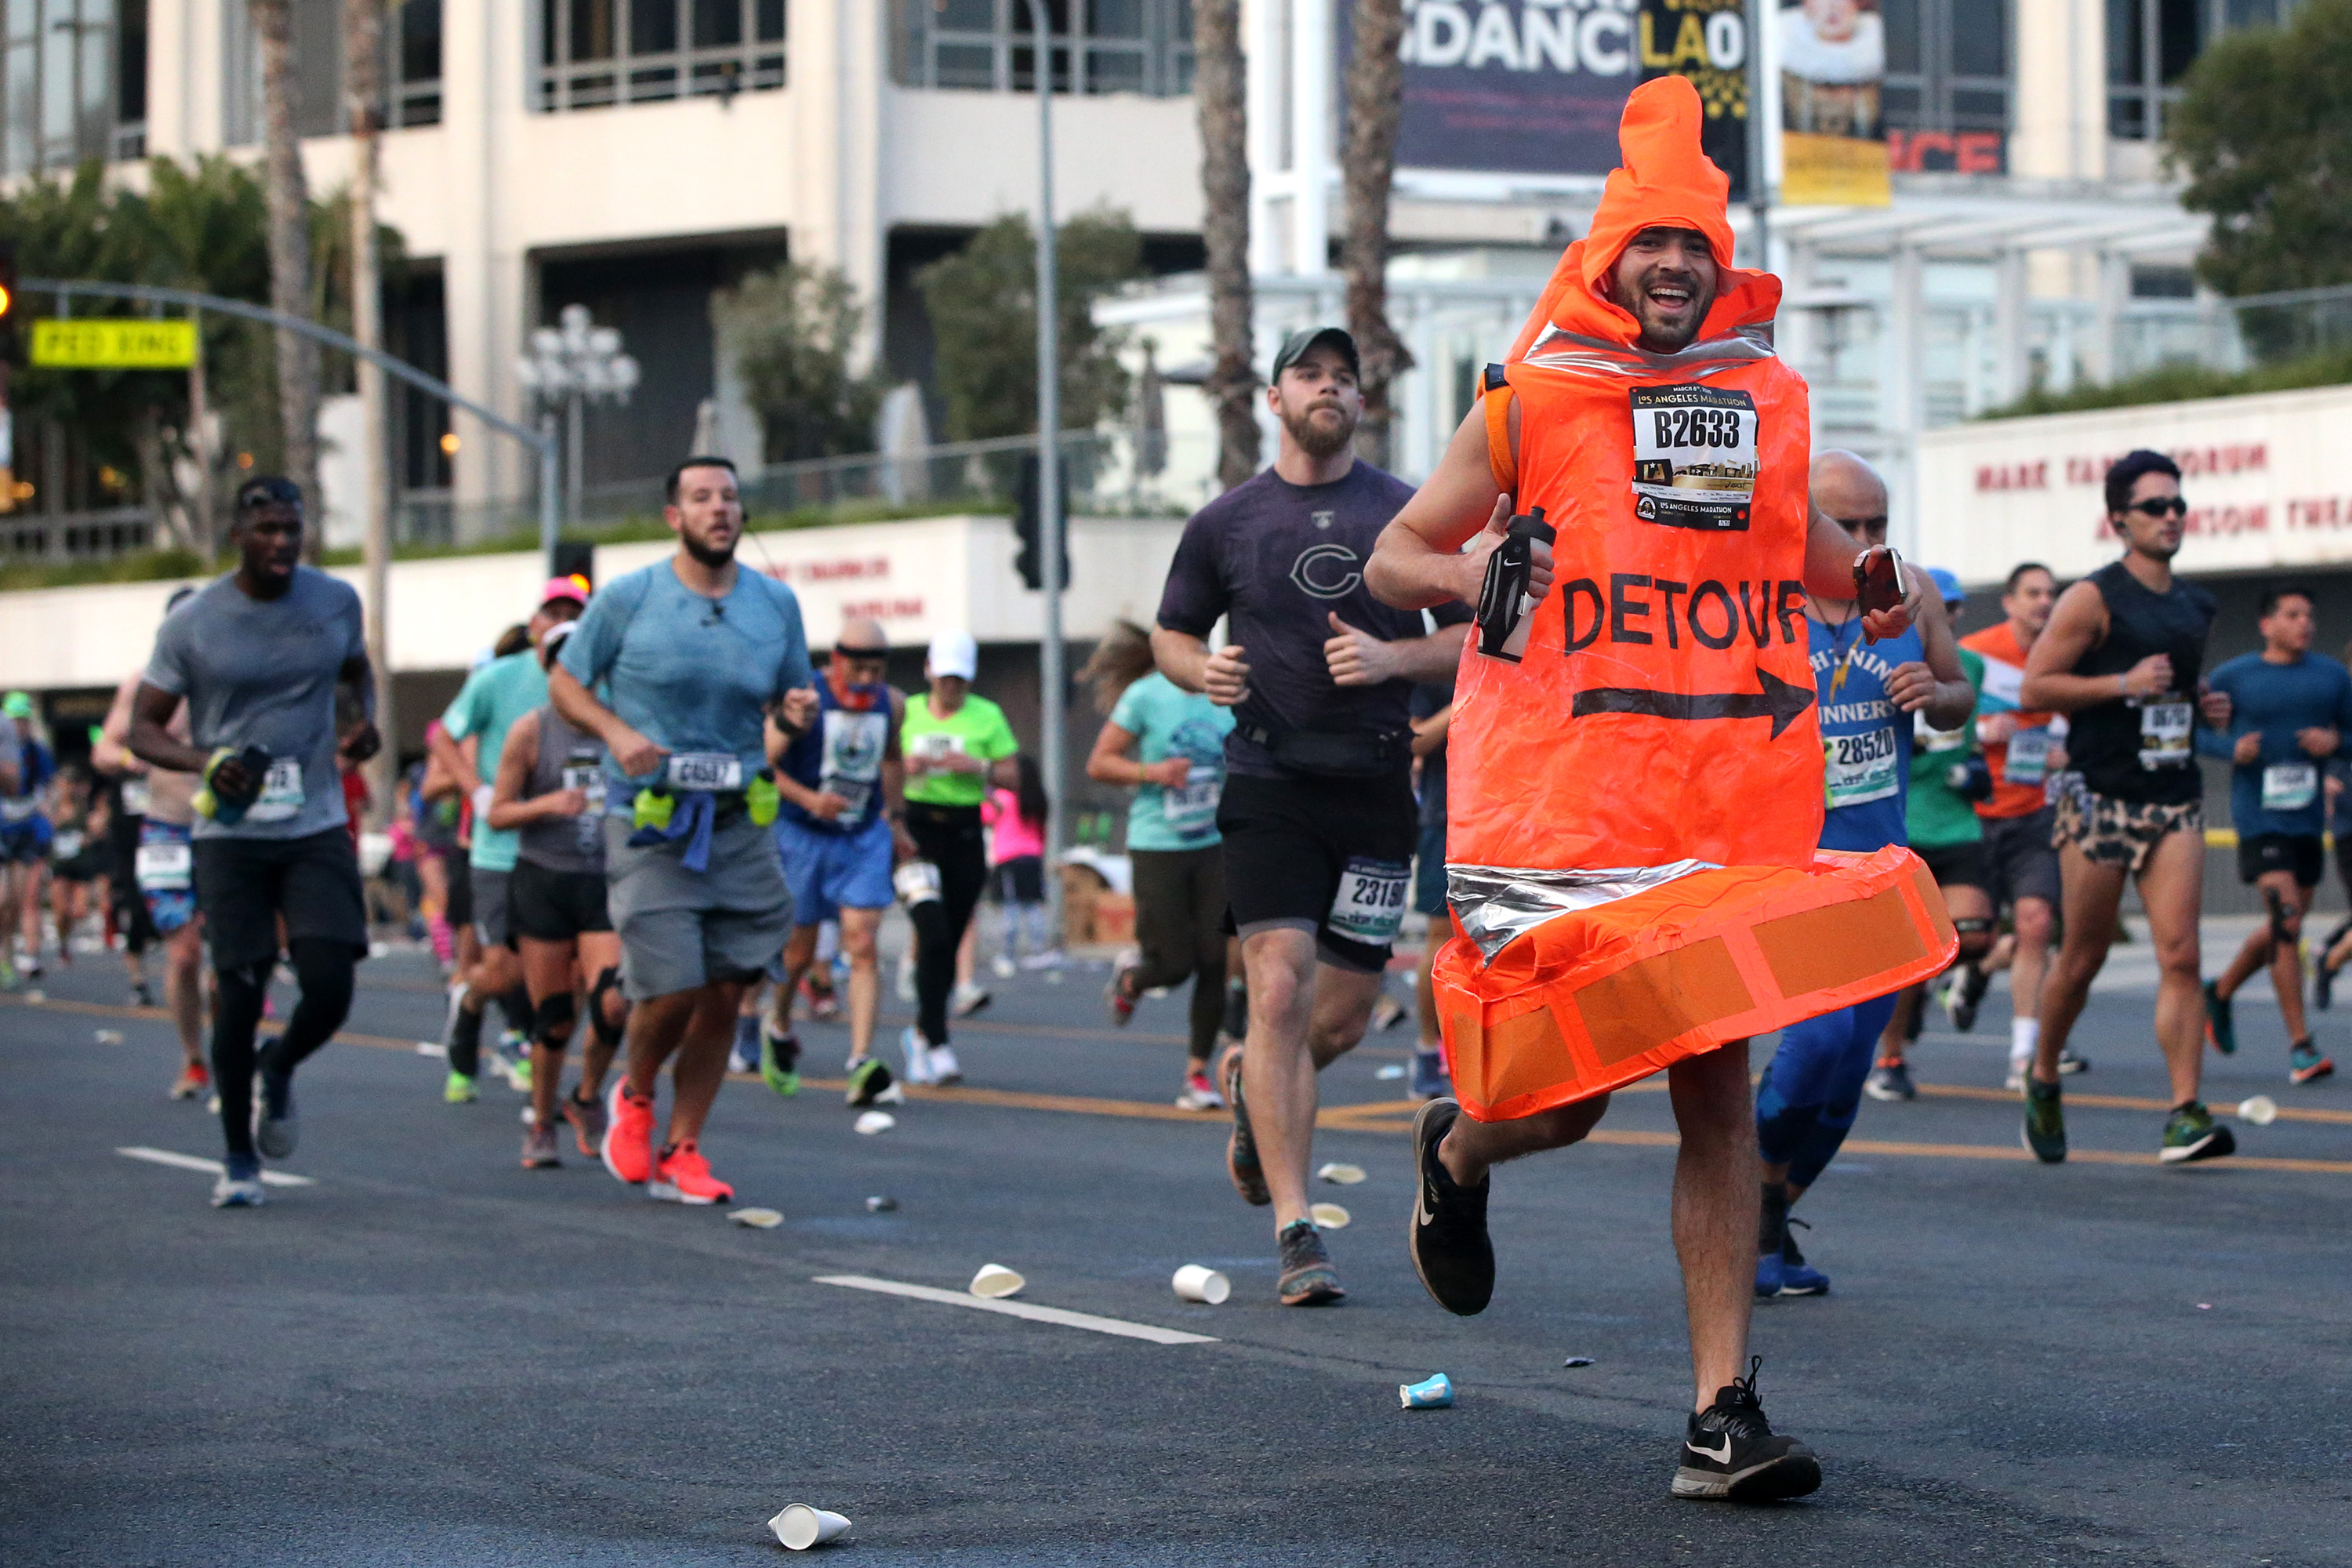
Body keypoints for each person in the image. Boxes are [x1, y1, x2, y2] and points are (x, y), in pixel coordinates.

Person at [1365, 78, 1951, 1501]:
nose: (1675, 265)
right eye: (1651, 245)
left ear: (1719, 260)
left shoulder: (1749, 409)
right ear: (1606, 261)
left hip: (1718, 810)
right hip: (1563, 812)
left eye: (1696, 242)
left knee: (1718, 1099)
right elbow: (1393, 558)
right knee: (1564, 1100)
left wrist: (1878, 582)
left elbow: (1810, 557)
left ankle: (1721, 1414)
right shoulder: (1531, 404)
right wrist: (1469, 573)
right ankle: (1461, 1147)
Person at [1153, 321, 1474, 1309]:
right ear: (1275, 399)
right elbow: (1171, 631)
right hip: (1268, 781)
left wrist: (1392, 660)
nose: (1327, 387)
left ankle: (1258, 1095)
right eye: (1309, 373)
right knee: (1281, 989)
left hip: (1377, 784)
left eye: (1344, 376)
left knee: (1334, 1018)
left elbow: (1476, 630)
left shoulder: (1407, 510)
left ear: (1362, 404)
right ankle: (1300, 1230)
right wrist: (1200, 668)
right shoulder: (1228, 520)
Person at [551, 456, 815, 1207]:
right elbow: (565, 683)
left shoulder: (775, 604)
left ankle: (684, 1146)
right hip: (651, 823)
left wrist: (796, 717)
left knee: (729, 989)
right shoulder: (629, 599)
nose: (719, 509)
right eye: (701, 498)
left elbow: (793, 697)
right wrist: (616, 731)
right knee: (672, 985)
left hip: (739, 820)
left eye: (729, 497)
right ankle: (633, 1097)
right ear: (674, 516)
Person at [126, 475, 379, 1209]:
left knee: (330, 984)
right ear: (237, 533)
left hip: (315, 819)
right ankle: (239, 1156)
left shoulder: (334, 601)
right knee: (238, 991)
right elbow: (144, 728)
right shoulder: (195, 622)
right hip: (230, 831)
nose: (281, 542)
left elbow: (355, 675)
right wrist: (205, 760)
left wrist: (358, 725)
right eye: (266, 529)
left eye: (292, 528)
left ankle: (281, 1065)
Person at [1754, 474, 1972, 1303]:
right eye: (1845, 521)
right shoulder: (1763, 595)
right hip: (1792, 866)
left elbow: (1958, 697)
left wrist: (1935, 694)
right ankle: (1752, 1205)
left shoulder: (1910, 593)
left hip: (1881, 870)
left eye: (1877, 520)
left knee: (1847, 1077)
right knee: (1815, 1041)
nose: (1865, 537)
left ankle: (1770, 1210)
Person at [2020, 450, 2234, 1165]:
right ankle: (2044, 1075)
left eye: (2178, 504)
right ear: (2118, 520)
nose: (2172, 516)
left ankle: (2185, 1112)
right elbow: (2037, 689)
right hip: (2100, 798)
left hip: (2173, 796)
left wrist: (2205, 705)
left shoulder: (2195, 605)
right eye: (2155, 507)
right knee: (2080, 960)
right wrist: (2121, 684)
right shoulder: (2093, 597)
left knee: (2182, 952)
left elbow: (2175, 694)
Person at [430, 577, 589, 1103]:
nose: (562, 621)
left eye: (574, 613)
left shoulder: (598, 684)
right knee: (505, 970)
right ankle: (470, 1005)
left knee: (571, 971)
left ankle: (537, 1060)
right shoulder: (499, 678)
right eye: (553, 612)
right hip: (501, 848)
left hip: (573, 850)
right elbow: (443, 735)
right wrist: (476, 789)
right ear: (534, 625)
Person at [486, 619, 630, 1167]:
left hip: (601, 881)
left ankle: (587, 1096)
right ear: (550, 672)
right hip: (544, 880)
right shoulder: (532, 731)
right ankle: (541, 1121)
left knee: (614, 1004)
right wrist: (547, 805)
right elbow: (497, 812)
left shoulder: (619, 727)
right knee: (554, 1020)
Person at [2198, 586, 2350, 1086]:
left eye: (2309, 614)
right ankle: (2301, 1047)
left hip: (2306, 821)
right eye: (2292, 614)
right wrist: (2229, 751)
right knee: (2287, 922)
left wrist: (2335, 742)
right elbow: (2192, 729)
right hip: (2258, 820)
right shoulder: (2235, 676)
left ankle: (2220, 992)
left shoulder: (2331, 676)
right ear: (2267, 624)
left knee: (2286, 923)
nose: (2304, 623)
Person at [1085, 619, 1235, 1110]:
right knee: (1174, 965)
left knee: (1215, 959)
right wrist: (1154, 772)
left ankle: (1197, 1074)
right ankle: (1134, 978)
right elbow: (1100, 762)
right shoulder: (1146, 696)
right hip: (1158, 844)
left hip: (1215, 842)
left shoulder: (1229, 690)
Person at [763, 617, 913, 1105]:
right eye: (859, 669)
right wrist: (809, 800)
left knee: (862, 941)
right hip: (803, 832)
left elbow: (891, 759)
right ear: (838, 660)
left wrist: (895, 820)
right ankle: (779, 1024)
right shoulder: (804, 698)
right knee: (797, 951)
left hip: (862, 835)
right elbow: (763, 765)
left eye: (877, 669)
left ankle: (861, 1059)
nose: (868, 680)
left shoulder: (892, 704)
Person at [1864, 568, 1997, 1102]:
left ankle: (1936, 990)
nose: (1954, 616)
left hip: (1957, 820)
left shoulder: (1974, 668)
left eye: (1959, 608)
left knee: (1976, 934)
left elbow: (1969, 732)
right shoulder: (1880, 658)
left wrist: (1980, 769)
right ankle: (1892, 1058)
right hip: (1909, 822)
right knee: (1911, 952)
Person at [1951, 562, 2083, 1089]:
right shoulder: (1976, 651)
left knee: (2036, 925)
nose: (2042, 603)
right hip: (1976, 812)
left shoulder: (2068, 653)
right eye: (2032, 593)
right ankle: (1971, 976)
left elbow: (2076, 722)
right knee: (1971, 937)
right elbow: (1939, 719)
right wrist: (1984, 729)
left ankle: (2024, 1053)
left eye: (2050, 594)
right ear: (2009, 601)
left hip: (2036, 810)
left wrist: (2066, 753)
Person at [96, 589, 211, 1100]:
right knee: (184, 956)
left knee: (226, 957)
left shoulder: (226, 681)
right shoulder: (143, 685)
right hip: (165, 827)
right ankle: (193, 1059)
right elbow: (105, 747)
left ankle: (231, 1059)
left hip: (221, 832)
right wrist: (132, 760)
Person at [897, 630, 1019, 1087]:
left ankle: (926, 1034)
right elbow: (877, 762)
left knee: (948, 939)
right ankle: (935, 1036)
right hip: (913, 830)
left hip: (965, 829)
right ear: (929, 670)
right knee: (931, 928)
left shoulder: (987, 716)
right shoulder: (905, 711)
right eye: (945, 678)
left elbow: (1015, 774)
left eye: (960, 681)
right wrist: (903, 764)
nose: (951, 688)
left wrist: (978, 767)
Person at [1406, 681, 1454, 1101]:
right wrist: (1465, 700)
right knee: (1441, 942)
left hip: (1512, 816)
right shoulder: (1446, 663)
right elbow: (1415, 741)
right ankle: (1427, 1047)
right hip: (1447, 820)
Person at [0, 691, 56, 984]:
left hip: (24, 828)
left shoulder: (37, 752)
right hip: (1, 826)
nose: (19, 726)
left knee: (19, 899)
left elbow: (46, 788)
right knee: (2, 897)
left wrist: (48, 815)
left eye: (24, 720)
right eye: (14, 720)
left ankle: (7, 954)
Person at [984, 757, 1054, 971]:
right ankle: (1038, 949)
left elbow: (985, 817)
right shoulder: (1038, 799)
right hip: (1033, 856)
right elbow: (1043, 832)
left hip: (1008, 857)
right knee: (1032, 904)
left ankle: (1007, 953)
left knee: (1010, 906)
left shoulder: (1002, 798)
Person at [44, 768, 108, 965]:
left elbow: (100, 826)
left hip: (82, 864)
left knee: (79, 910)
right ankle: (63, 944)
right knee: (61, 910)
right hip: (60, 864)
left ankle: (68, 937)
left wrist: (89, 834)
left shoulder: (86, 807)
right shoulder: (53, 807)